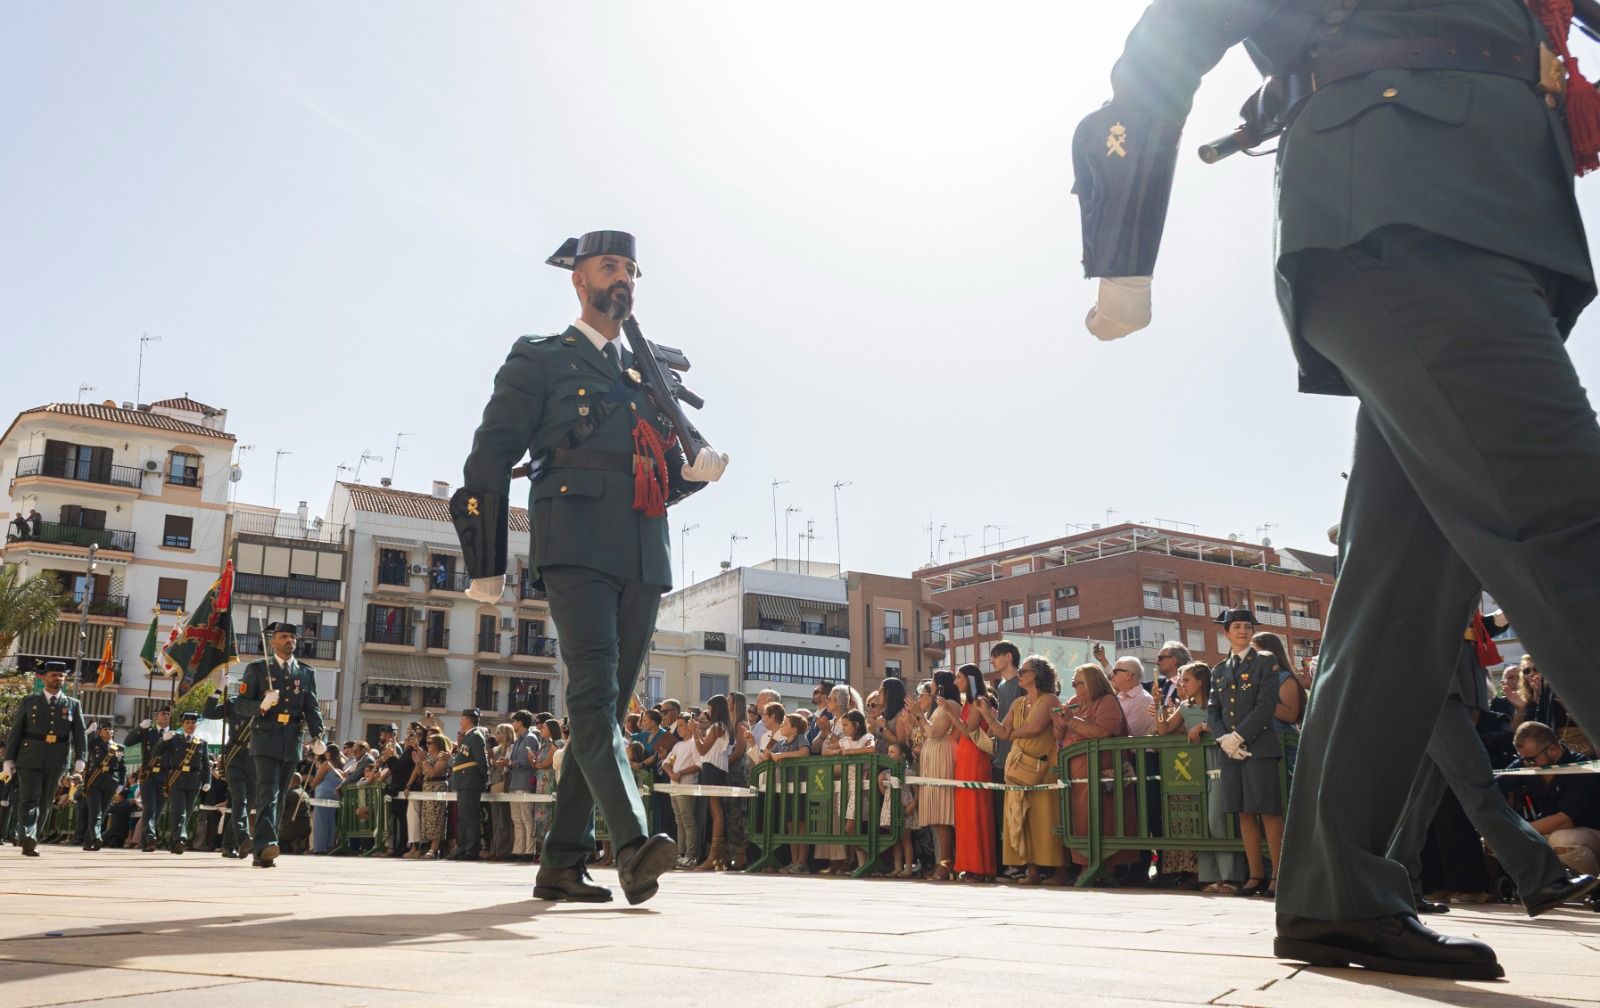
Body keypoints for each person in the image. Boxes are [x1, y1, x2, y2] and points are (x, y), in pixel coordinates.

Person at [1076, 0, 1600, 980]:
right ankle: (1335, 887)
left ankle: (1335, 891)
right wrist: (1122, 244)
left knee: (1402, 591)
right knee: (1573, 525)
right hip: (1402, 201)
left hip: (1481, 215)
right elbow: (1179, 28)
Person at [455, 230, 727, 906]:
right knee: (595, 697)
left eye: (631, 268)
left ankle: (562, 861)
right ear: (578, 281)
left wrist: (693, 475)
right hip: (573, 539)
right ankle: (633, 844)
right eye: (610, 266)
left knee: (601, 707)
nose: (623, 277)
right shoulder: (541, 358)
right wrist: (485, 558)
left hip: (643, 547)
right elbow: (490, 455)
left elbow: (658, 471)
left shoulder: (646, 374)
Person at [1390, 642, 1596, 916]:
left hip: (1445, 693)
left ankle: (1396, 887)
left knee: (1421, 801)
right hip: (1440, 691)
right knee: (1480, 788)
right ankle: (1542, 879)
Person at [1209, 609, 1286, 900]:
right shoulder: (1219, 669)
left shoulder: (1265, 660)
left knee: (1268, 810)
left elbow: (1266, 705)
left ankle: (1278, 874)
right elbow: (1213, 710)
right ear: (1226, 633)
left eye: (1247, 626)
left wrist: (1239, 736)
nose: (1243, 631)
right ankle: (1256, 875)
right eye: (1237, 627)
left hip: (1258, 746)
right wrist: (1223, 739)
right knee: (1243, 811)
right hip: (1231, 748)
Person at [240, 620, 325, 868]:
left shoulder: (306, 672)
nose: (290, 641)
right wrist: (261, 706)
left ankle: (264, 849)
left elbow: (312, 708)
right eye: (285, 636)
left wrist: (319, 736)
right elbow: (241, 704)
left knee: (279, 795)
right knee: (269, 792)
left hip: (291, 740)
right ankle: (266, 844)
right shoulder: (257, 669)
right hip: (265, 737)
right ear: (273, 641)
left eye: (293, 637)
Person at [976, 654, 1067, 885]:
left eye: (1023, 671)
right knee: (1022, 819)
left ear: (1036, 675)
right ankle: (1032, 870)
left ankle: (1060, 871)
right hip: (1018, 768)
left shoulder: (1049, 699)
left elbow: (1035, 728)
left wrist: (1012, 735)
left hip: (1043, 766)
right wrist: (987, 714)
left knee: (1046, 819)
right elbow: (1001, 732)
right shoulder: (1018, 703)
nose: (1019, 675)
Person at [1157, 661, 1244, 892]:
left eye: (1186, 680)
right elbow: (1164, 729)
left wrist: (1205, 726)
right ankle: (1211, 876)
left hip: (1220, 769)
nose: (1182, 685)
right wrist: (1158, 706)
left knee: (1218, 822)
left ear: (1201, 681)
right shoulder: (1185, 707)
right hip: (1197, 773)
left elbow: (1232, 728)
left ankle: (1232, 877)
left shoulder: (1220, 703)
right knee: (1202, 825)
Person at [1054, 662, 1139, 882]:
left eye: (1079, 683)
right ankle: (1085, 865)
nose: (1074, 687)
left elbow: (1102, 731)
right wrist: (1060, 725)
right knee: (1079, 820)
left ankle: (1106, 868)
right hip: (1077, 776)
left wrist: (1072, 721)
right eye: (1073, 683)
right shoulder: (1073, 702)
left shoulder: (1107, 701)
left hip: (1103, 775)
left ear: (1093, 683)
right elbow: (1061, 735)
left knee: (1104, 818)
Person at [3, 661, 86, 856]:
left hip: (58, 759)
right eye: (54, 675)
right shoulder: (29, 701)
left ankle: (32, 838)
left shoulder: (73, 704)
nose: (58, 678)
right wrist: (8, 760)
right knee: (29, 799)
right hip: (29, 757)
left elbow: (80, 734)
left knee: (46, 801)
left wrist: (80, 758)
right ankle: (28, 835)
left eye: (61, 676)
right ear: (44, 678)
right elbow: (16, 732)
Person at [1502, 722, 1600, 879]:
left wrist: (1515, 832)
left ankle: (1593, 886)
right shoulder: (1529, 762)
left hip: (1590, 833)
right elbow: (1498, 783)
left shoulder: (1582, 768)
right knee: (1493, 840)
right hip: (1549, 832)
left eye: (1531, 760)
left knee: (1562, 840)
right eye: (1523, 759)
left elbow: (1565, 820)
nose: (1526, 764)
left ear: (1553, 750)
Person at [947, 665, 997, 883]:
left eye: (959, 678)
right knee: (965, 813)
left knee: (976, 811)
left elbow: (968, 730)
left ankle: (980, 866)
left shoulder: (979, 702)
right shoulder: (969, 702)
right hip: (965, 758)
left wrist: (950, 713)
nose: (956, 682)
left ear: (969, 679)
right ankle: (968, 864)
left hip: (976, 759)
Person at [204, 686, 256, 859]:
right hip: (235, 755)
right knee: (240, 800)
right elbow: (209, 713)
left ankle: (228, 845)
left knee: (245, 805)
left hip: (256, 758)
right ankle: (243, 838)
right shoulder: (234, 703)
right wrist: (217, 691)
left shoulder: (266, 704)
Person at [161, 711, 211, 855]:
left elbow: (206, 764)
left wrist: (207, 781)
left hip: (194, 780)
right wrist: (163, 740)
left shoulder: (201, 743)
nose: (191, 725)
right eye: (187, 723)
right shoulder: (174, 740)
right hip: (177, 779)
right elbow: (157, 753)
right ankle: (180, 839)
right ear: (182, 725)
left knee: (187, 812)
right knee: (179, 811)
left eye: (193, 723)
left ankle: (174, 840)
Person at [449, 708, 489, 861]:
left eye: (462, 719)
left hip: (470, 781)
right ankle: (463, 846)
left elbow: (481, 761)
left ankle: (471, 848)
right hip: (464, 781)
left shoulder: (476, 736)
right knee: (464, 817)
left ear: (469, 720)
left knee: (470, 817)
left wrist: (483, 778)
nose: (460, 721)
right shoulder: (468, 736)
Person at [80, 723, 124, 851]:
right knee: (95, 812)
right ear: (100, 732)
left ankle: (88, 842)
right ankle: (97, 838)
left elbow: (122, 768)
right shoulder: (94, 744)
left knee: (102, 812)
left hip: (111, 782)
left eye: (111, 729)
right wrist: (88, 732)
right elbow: (81, 743)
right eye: (105, 729)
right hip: (94, 782)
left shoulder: (119, 748)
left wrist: (121, 783)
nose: (109, 731)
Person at [309, 746, 344, 854]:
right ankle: (329, 845)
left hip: (323, 793)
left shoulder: (326, 764)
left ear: (328, 753)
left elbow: (317, 779)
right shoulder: (340, 765)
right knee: (330, 821)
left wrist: (312, 787)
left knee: (320, 821)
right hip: (334, 794)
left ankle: (320, 847)